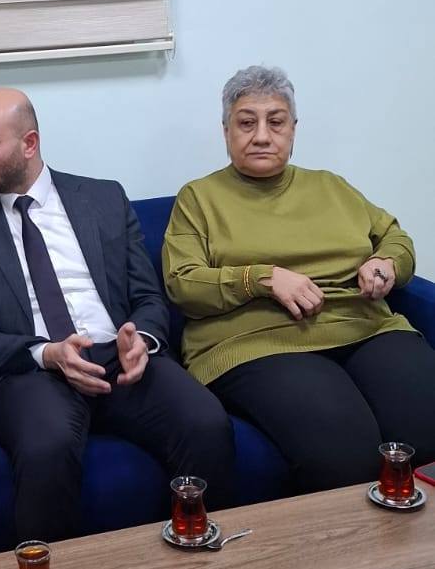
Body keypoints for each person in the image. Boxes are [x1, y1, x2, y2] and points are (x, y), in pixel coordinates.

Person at [0, 88, 234, 540]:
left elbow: (148, 297)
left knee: (205, 423)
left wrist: (142, 340)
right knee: (47, 447)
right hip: (29, 370)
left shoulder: (103, 198)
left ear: (29, 143)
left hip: (118, 357)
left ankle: (200, 558)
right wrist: (48, 353)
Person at [162, 65, 435, 492]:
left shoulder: (331, 187)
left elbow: (395, 238)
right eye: (246, 123)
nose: (262, 136)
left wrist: (385, 263)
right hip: (258, 343)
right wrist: (262, 279)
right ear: (226, 131)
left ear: (293, 129)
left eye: (276, 122)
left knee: (426, 429)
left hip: (364, 326)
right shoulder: (199, 198)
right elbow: (183, 283)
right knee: (347, 458)